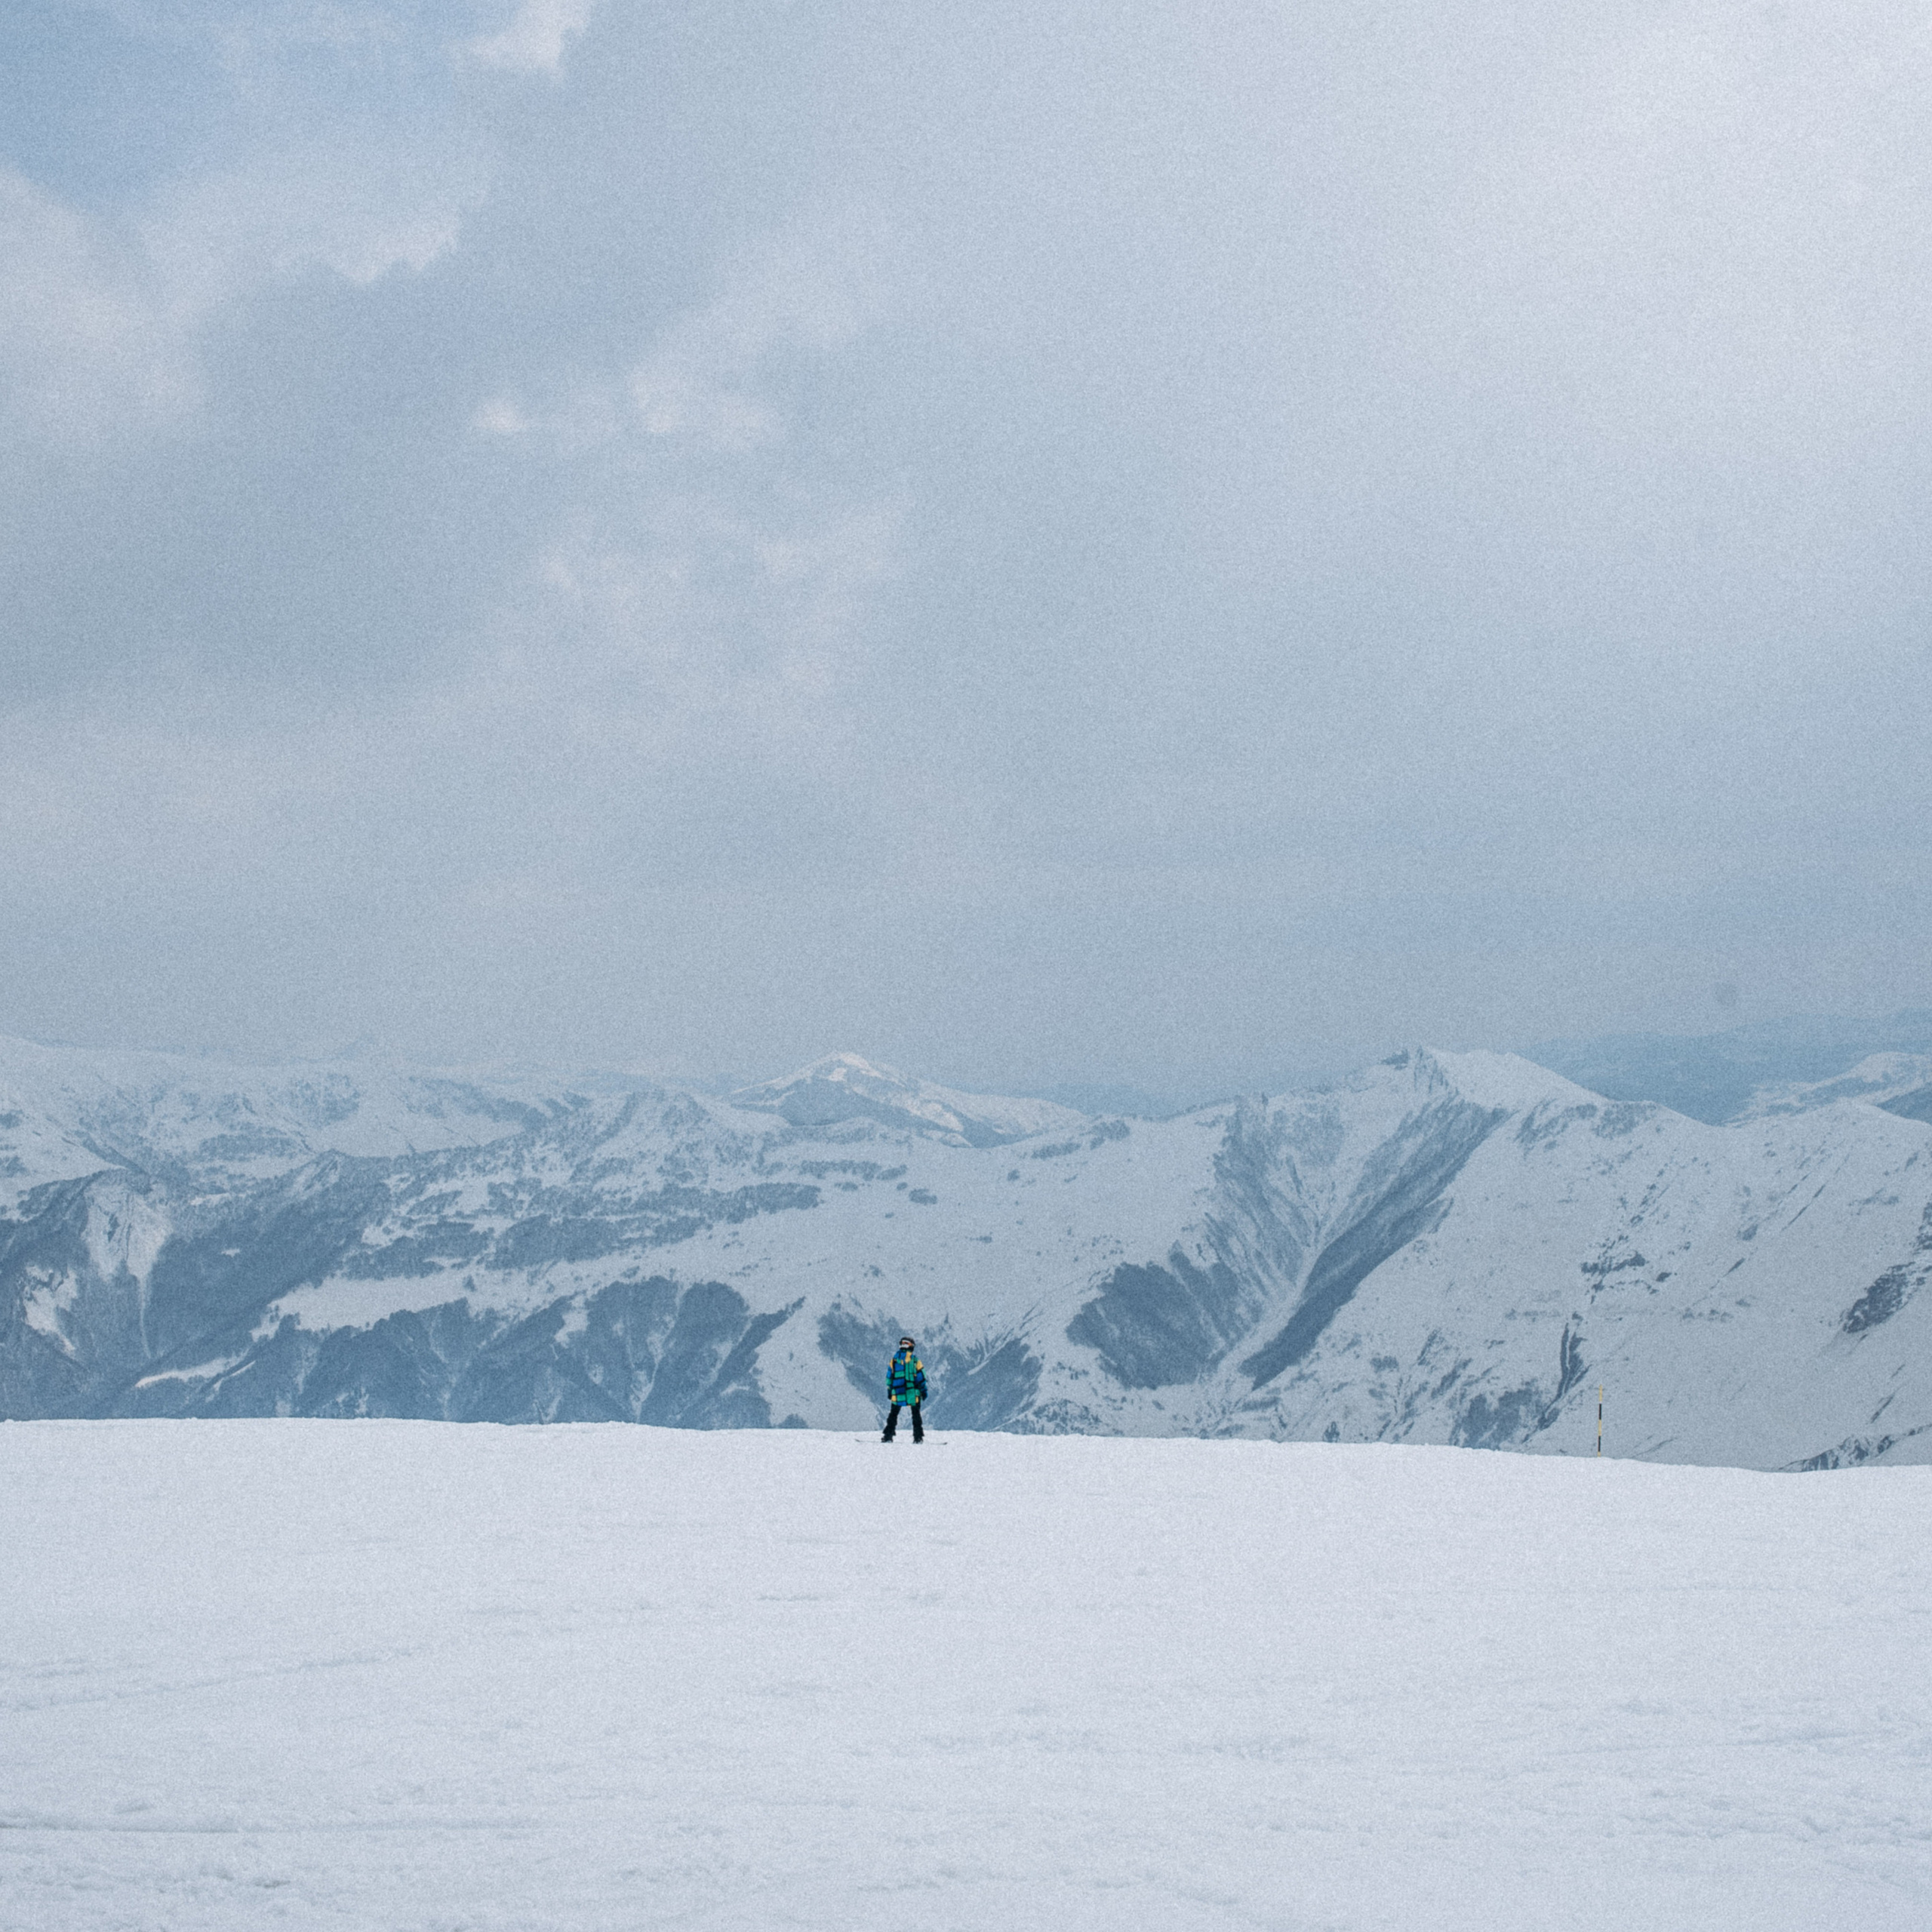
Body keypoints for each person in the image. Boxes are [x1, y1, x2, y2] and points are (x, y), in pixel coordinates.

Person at [882, 1337, 927, 1443]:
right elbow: (921, 1377)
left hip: (897, 1392)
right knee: (916, 1415)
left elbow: (889, 1378)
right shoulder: (916, 1361)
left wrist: (890, 1390)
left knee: (893, 1414)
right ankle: (918, 1437)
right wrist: (924, 1391)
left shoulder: (894, 1360)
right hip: (913, 1392)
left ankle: (888, 1436)